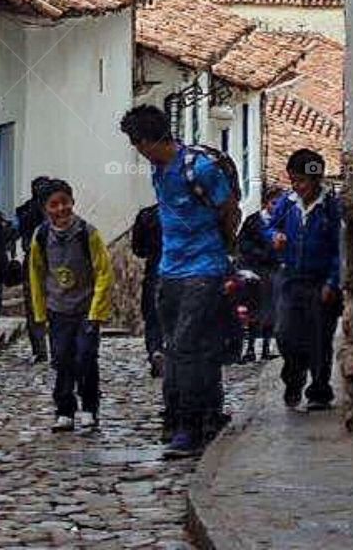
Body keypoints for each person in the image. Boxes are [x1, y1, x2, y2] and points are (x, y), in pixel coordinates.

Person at [119, 105, 240, 459]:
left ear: (148, 140)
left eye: (137, 143)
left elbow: (229, 209)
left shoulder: (198, 169)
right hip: (170, 270)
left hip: (204, 269)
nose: (138, 152)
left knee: (185, 347)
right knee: (184, 346)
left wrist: (221, 248)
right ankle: (206, 415)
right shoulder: (158, 171)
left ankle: (187, 426)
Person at [28, 179, 114, 433]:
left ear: (73, 202)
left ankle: (89, 407)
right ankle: (64, 409)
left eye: (65, 202)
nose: (61, 209)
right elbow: (36, 274)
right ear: (45, 209)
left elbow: (103, 272)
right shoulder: (41, 237)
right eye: (54, 205)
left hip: (86, 310)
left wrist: (97, 311)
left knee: (86, 358)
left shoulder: (88, 233)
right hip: (58, 310)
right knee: (62, 360)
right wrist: (40, 312)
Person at [267, 149, 342, 411]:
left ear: (316, 180)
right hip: (290, 280)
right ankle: (294, 378)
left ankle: (319, 390)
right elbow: (269, 226)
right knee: (286, 333)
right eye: (294, 181)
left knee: (320, 337)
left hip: (319, 281)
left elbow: (339, 249)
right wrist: (273, 236)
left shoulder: (331, 209)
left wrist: (333, 282)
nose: (298, 187)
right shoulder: (288, 205)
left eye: (302, 182)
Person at [237, 185, 284, 361]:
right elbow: (243, 244)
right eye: (273, 203)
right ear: (266, 203)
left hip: (273, 270)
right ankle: (249, 348)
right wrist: (261, 255)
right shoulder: (253, 221)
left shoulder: (282, 223)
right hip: (254, 271)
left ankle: (266, 348)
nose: (276, 207)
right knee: (252, 310)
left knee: (271, 310)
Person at [17, 175, 52, 362]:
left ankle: (41, 349)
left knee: (35, 305)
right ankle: (45, 348)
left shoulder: (28, 210)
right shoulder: (31, 211)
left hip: (43, 259)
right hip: (44, 259)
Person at [130, 203, 164, 376]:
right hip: (182, 269)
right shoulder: (188, 212)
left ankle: (155, 349)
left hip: (155, 268)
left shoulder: (147, 215)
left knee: (153, 315)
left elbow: (137, 248)